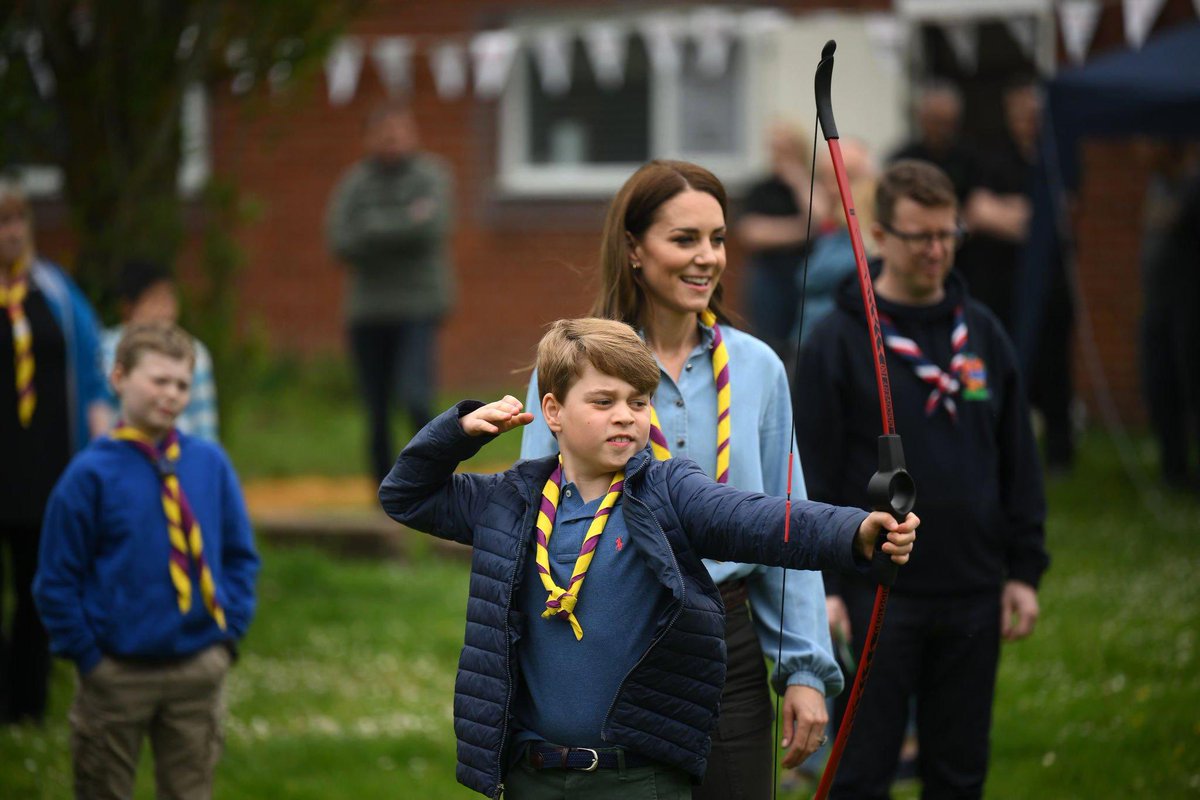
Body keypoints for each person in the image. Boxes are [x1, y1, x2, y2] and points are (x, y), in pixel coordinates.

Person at [379, 317, 918, 799]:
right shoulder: (508, 499)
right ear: (553, 412)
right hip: (529, 775)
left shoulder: (669, 489)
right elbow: (406, 495)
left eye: (639, 402)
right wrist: (456, 432)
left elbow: (761, 520)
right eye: (603, 401)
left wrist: (855, 531)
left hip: (639, 778)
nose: (626, 416)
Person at [521, 160, 845, 799]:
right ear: (635, 249)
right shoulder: (573, 368)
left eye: (717, 239)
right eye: (684, 239)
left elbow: (784, 522)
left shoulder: (756, 369)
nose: (707, 258)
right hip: (610, 633)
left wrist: (805, 668)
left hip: (726, 638)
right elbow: (537, 522)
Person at [795, 160, 1048, 799]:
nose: (937, 250)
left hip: (972, 583)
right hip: (877, 590)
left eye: (948, 233)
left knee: (959, 769)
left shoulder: (982, 333)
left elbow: (1017, 457)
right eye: (920, 236)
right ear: (880, 235)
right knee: (862, 769)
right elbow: (812, 469)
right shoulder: (838, 340)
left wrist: (1023, 568)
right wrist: (823, 587)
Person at [34, 321, 260, 799]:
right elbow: (56, 579)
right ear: (119, 378)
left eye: (182, 383)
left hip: (198, 667)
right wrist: (89, 657)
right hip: (115, 672)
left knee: (190, 790)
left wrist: (227, 636)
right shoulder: (88, 475)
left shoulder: (209, 464)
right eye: (158, 380)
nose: (172, 394)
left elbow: (240, 556)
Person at [0, 179, 109, 724]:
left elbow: (93, 371)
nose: (11, 233)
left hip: (46, 465)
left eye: (18, 221)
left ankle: (28, 702)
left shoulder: (57, 292)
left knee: (39, 586)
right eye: (1, 223)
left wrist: (100, 441)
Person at [325, 98, 456, 484]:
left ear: (413, 134)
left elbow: (431, 228)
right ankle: (385, 490)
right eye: (384, 132)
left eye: (400, 130)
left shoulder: (432, 175)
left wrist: (372, 227)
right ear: (368, 138)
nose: (392, 139)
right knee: (376, 408)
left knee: (416, 398)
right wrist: (402, 222)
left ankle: (436, 478)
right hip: (367, 312)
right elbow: (340, 240)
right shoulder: (353, 184)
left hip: (419, 306)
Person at [1137, 141, 1200, 491]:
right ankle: (1173, 470)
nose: (1138, 147)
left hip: (1188, 308)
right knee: (1158, 384)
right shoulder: (1157, 185)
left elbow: (1172, 220)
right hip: (1156, 304)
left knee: (1188, 385)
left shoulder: (1192, 185)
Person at [100, 259, 219, 441]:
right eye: (155, 301)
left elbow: (204, 423)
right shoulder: (104, 348)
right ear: (128, 307)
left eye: (170, 299)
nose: (165, 310)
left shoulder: (195, 352)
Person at [736, 124, 828, 359]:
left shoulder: (812, 185)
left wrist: (799, 180)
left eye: (787, 150)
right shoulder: (761, 188)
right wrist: (802, 230)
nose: (779, 157)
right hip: (769, 277)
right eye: (775, 150)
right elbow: (751, 233)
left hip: (809, 275)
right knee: (768, 342)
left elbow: (820, 217)